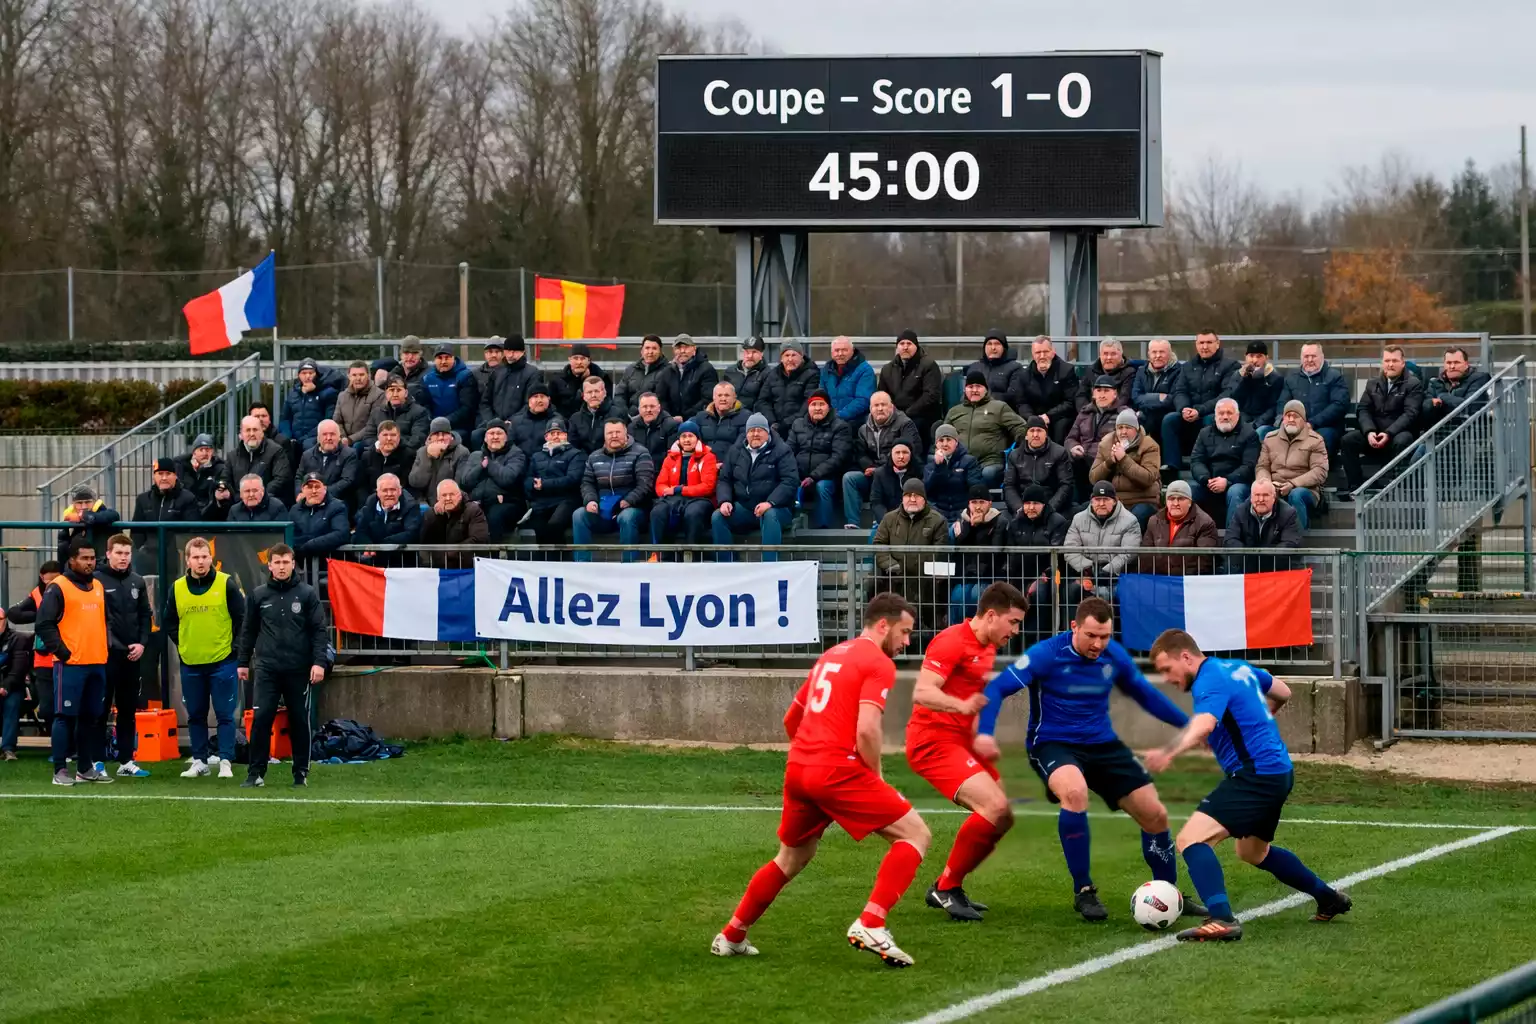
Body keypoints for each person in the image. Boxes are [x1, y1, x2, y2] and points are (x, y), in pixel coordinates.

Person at [712, 594, 930, 967]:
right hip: (836, 769)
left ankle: (732, 935)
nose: (907, 641)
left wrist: (812, 753)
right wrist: (875, 776)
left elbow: (790, 721)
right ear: (883, 625)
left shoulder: (831, 655)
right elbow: (867, 730)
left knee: (793, 856)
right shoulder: (878, 662)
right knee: (915, 834)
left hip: (799, 768)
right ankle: (871, 922)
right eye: (905, 632)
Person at [975, 597, 1201, 922]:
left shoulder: (1113, 655)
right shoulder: (1046, 654)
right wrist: (984, 732)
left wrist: (1189, 726)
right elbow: (997, 688)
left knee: (1155, 814)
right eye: (1091, 635)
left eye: (1105, 636)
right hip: (1052, 744)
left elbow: (1144, 694)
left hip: (1102, 745)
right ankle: (1084, 891)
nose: (1098, 644)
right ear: (1074, 627)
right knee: (1075, 792)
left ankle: (1169, 893)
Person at [1145, 630, 1352, 941]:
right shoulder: (1236, 667)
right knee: (1253, 852)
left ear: (1185, 656)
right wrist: (1256, 721)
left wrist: (1168, 751)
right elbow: (1282, 691)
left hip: (1255, 775)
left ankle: (1221, 919)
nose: (1167, 679)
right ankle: (1329, 898)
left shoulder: (1207, 680)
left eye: (1166, 669)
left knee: (1191, 839)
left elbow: (1205, 722)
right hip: (1278, 771)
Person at [909, 582, 1029, 919]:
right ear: (991, 615)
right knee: (994, 806)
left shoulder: (988, 645)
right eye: (1013, 622)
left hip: (960, 741)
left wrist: (979, 734)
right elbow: (922, 692)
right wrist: (961, 707)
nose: (1016, 631)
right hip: (932, 741)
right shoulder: (950, 642)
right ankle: (946, 889)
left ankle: (947, 885)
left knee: (1003, 816)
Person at [238, 544, 327, 789]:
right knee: (262, 718)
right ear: (269, 565)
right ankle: (255, 773)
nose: (281, 567)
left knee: (299, 719)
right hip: (267, 668)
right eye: (276, 562)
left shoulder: (307, 594)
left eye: (285, 562)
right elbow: (248, 631)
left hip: (299, 668)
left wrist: (319, 663)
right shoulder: (258, 595)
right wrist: (243, 661)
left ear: (292, 563)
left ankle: (300, 773)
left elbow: (319, 631)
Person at [162, 536, 245, 779]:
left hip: (223, 661)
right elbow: (169, 622)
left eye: (204, 556)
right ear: (187, 560)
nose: (200, 561)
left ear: (211, 558)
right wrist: (184, 643)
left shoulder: (226, 584)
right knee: (195, 715)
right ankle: (199, 761)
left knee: (225, 715)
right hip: (191, 663)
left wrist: (235, 650)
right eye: (195, 557)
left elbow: (242, 619)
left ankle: (226, 760)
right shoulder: (176, 588)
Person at [35, 540, 113, 786]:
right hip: (70, 665)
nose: (90, 562)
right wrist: (63, 652)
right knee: (64, 717)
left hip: (97, 663)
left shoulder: (99, 586)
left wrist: (105, 647)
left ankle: (85, 768)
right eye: (84, 558)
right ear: (71, 560)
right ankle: (60, 770)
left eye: (92, 558)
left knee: (91, 718)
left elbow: (105, 621)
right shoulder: (58, 587)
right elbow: (43, 624)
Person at [94, 534, 151, 776]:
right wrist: (115, 645)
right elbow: (99, 620)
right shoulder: (96, 580)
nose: (123, 557)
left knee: (128, 710)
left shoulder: (137, 582)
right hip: (106, 656)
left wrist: (142, 644)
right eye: (118, 553)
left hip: (132, 656)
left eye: (127, 553)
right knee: (100, 709)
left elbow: (145, 617)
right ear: (108, 554)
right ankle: (96, 761)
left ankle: (126, 761)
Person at [1341, 345, 1425, 496]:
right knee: (1348, 440)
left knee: (1403, 439)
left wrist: (1388, 433)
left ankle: (1390, 488)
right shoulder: (1373, 383)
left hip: (1397, 435)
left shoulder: (1413, 384)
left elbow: (1410, 414)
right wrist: (1369, 432)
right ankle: (1356, 488)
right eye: (1387, 360)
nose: (1390, 364)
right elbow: (1363, 409)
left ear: (1403, 363)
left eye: (1394, 360)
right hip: (1374, 434)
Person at [712, 413, 798, 556]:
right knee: (718, 517)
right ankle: (725, 567)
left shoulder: (782, 450)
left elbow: (790, 481)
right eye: (752, 431)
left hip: (778, 508)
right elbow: (725, 479)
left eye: (760, 430)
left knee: (769, 515)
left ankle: (769, 567)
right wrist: (725, 500)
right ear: (747, 433)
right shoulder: (735, 451)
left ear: (767, 432)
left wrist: (770, 502)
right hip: (745, 507)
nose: (755, 434)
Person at [573, 418, 654, 562]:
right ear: (604, 435)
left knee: (627, 517)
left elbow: (645, 484)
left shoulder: (641, 453)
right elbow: (587, 482)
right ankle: (582, 564)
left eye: (618, 432)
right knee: (579, 515)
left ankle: (628, 565)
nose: (614, 436)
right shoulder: (594, 456)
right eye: (610, 433)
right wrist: (590, 500)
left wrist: (627, 501)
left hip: (632, 508)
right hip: (603, 508)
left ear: (626, 433)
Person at [869, 479, 949, 622]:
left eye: (917, 495)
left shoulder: (938, 521)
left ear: (924, 499)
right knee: (871, 585)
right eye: (908, 495)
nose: (912, 499)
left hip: (923, 577)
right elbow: (879, 543)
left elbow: (940, 552)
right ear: (903, 498)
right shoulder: (889, 518)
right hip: (895, 575)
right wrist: (891, 564)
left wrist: (913, 566)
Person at [842, 391, 923, 529]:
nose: (880, 408)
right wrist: (868, 466)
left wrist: (881, 469)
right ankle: (853, 523)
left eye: (883, 405)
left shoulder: (905, 424)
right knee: (849, 478)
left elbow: (910, 451)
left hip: (896, 472)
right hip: (872, 472)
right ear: (870, 409)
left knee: (883, 476)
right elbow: (860, 453)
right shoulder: (863, 429)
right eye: (876, 405)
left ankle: (883, 520)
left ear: (891, 407)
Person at [1164, 331, 1239, 473]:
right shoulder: (1187, 366)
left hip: (1211, 413)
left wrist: (1200, 411)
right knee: (1170, 420)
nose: (1205, 346)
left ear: (1218, 344)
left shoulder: (1230, 366)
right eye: (1201, 343)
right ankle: (1172, 467)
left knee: (1211, 421)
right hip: (1190, 412)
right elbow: (1180, 391)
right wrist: (1184, 408)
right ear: (1196, 345)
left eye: (1209, 342)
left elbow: (1226, 395)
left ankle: (1208, 467)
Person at [6, 561, 61, 745]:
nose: (52, 582)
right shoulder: (37, 593)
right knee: (46, 708)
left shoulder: (68, 591)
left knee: (66, 706)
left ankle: (68, 747)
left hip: (67, 658)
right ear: (41, 577)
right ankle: (59, 744)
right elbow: (13, 613)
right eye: (49, 578)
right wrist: (40, 615)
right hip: (43, 659)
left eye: (56, 578)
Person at [943, 371, 1029, 489]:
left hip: (990, 461)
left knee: (988, 474)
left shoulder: (999, 407)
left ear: (986, 389)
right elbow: (943, 435)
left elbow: (1021, 427)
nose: (974, 390)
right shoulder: (954, 411)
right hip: (961, 461)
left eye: (978, 386)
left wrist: (1018, 449)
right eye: (970, 387)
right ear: (965, 390)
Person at [1063, 481, 1141, 606]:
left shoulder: (1130, 521)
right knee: (1072, 590)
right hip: (1087, 574)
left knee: (1120, 595)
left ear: (1115, 500)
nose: (1101, 504)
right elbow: (1070, 549)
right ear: (1091, 501)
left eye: (1106, 499)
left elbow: (1129, 552)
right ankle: (1074, 626)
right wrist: (1087, 570)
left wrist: (1107, 572)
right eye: (1097, 499)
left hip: (1117, 577)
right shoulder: (1078, 519)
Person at [1257, 401, 1329, 530]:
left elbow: (1320, 471)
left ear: (1303, 419)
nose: (1290, 419)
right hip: (1274, 487)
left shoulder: (1315, 440)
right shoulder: (1270, 438)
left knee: (1295, 495)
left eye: (1295, 416)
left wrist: (1292, 484)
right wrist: (1268, 484)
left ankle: (1295, 542)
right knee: (1256, 494)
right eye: (1287, 416)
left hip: (1305, 490)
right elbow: (1262, 466)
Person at [788, 390, 853, 529]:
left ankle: (824, 529)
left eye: (821, 404)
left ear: (828, 407)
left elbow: (838, 457)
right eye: (814, 404)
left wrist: (813, 476)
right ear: (808, 407)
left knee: (822, 487)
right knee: (786, 483)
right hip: (800, 475)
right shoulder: (797, 424)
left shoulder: (841, 426)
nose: (817, 408)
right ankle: (788, 524)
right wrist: (794, 474)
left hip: (828, 477)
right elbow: (788, 452)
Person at [1189, 397, 1259, 526]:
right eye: (1221, 413)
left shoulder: (1250, 434)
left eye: (1229, 413)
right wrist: (1206, 479)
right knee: (1187, 491)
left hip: (1237, 482)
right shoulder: (1204, 433)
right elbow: (1196, 461)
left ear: (1237, 415)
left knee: (1235, 491)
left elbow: (1249, 466)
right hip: (1209, 481)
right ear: (1215, 416)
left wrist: (1227, 481)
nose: (1225, 417)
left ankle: (1232, 537)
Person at [946, 489, 1011, 626]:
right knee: (958, 596)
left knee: (977, 595)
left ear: (990, 503)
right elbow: (958, 548)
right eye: (974, 502)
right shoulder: (963, 521)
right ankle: (957, 634)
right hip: (966, 574)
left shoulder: (1000, 521)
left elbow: (996, 551)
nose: (977, 506)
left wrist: (980, 528)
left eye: (982, 502)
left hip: (989, 574)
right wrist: (971, 527)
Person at [1006, 485, 1070, 623]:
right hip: (1020, 575)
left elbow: (1058, 556)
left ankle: (1040, 635)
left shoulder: (1057, 522)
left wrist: (1044, 574)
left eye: (1035, 503)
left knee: (1040, 592)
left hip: (1048, 575)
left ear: (1044, 504)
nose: (1031, 507)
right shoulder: (1016, 523)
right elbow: (1010, 555)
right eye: (1027, 503)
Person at [1089, 408, 1162, 529]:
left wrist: (1123, 459)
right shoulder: (1106, 444)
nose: (1123, 432)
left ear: (1136, 429)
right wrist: (1110, 462)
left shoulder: (1149, 445)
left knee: (1135, 517)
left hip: (1142, 500)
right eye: (1120, 428)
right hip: (1112, 501)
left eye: (1128, 428)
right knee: (1083, 514)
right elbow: (1093, 478)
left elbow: (1148, 478)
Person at [1274, 342, 1349, 457]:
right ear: (1301, 358)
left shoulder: (1334, 377)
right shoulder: (1291, 377)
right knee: (1270, 436)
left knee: (1320, 439)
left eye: (1313, 356)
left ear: (1322, 357)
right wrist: (1284, 420)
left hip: (1325, 427)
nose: (1309, 360)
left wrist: (1312, 423)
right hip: (1294, 425)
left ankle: (1317, 473)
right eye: (1306, 356)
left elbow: (1339, 405)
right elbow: (1282, 403)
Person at [651, 421, 718, 549]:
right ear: (679, 439)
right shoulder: (670, 458)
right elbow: (660, 484)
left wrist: (678, 490)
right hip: (673, 499)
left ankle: (692, 554)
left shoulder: (708, 457)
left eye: (690, 436)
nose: (687, 440)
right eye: (683, 436)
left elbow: (707, 487)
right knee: (658, 512)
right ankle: (662, 555)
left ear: (697, 438)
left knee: (693, 513)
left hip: (700, 499)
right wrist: (666, 491)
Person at [458, 419, 527, 542]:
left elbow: (507, 478)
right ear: (485, 438)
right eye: (491, 433)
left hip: (508, 503)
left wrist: (489, 463)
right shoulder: (475, 456)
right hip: (479, 501)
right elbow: (465, 482)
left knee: (494, 516)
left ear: (506, 437)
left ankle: (491, 558)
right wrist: (480, 467)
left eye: (499, 433)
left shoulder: (516, 454)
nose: (495, 437)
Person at [525, 419, 587, 547]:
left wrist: (543, 484)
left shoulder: (576, 454)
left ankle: (561, 562)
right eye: (552, 433)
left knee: (555, 525)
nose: (555, 436)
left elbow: (572, 479)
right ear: (546, 437)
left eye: (559, 433)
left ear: (565, 435)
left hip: (566, 499)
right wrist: (532, 484)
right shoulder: (537, 456)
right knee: (538, 527)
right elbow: (528, 479)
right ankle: (545, 562)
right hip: (542, 501)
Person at [1139, 480, 1220, 576]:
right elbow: (1146, 557)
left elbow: (1204, 562)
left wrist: (1177, 580)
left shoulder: (1205, 523)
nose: (1175, 503)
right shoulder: (1154, 521)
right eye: (1171, 498)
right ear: (1166, 501)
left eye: (1181, 499)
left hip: (1187, 583)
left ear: (1190, 502)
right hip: (1160, 580)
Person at [1224, 479, 1304, 572]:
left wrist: (1260, 559)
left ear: (1274, 497)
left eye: (1265, 495)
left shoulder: (1288, 514)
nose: (1261, 500)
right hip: (1247, 567)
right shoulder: (1240, 511)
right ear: (1251, 497)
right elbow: (1230, 540)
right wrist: (1250, 559)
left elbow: (1290, 545)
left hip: (1276, 570)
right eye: (1257, 495)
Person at [1067, 376, 1125, 499]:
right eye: (1098, 391)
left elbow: (1126, 442)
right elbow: (1070, 438)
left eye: (1106, 391)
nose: (1102, 395)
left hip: (1107, 462)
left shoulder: (1123, 414)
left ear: (1115, 394)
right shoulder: (1084, 412)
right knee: (1068, 460)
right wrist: (1073, 446)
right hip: (1082, 461)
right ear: (1093, 393)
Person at [878, 329, 943, 438]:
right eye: (902, 343)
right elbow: (882, 395)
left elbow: (931, 395)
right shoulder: (887, 369)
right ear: (897, 347)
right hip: (894, 415)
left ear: (916, 346)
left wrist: (907, 413)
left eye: (909, 343)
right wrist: (893, 413)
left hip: (921, 416)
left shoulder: (929, 365)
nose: (905, 347)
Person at [1003, 416, 1072, 517]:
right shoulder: (1015, 455)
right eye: (1032, 431)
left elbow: (1066, 484)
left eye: (1039, 431)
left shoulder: (1059, 453)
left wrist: (1050, 509)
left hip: (1050, 506)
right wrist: (1019, 509)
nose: (1035, 435)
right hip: (1024, 506)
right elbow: (1009, 485)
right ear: (1026, 435)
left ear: (1046, 434)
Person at [1018, 336, 1078, 444]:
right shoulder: (1024, 375)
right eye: (1038, 352)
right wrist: (1033, 419)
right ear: (1033, 354)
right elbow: (1022, 402)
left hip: (1059, 417)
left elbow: (1070, 402)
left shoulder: (1066, 370)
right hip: (1033, 417)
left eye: (1045, 351)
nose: (1042, 356)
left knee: (1062, 427)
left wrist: (1049, 416)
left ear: (1053, 352)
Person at [130, 457, 199, 548]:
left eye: (168, 473)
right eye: (160, 473)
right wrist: (142, 550)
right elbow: (136, 531)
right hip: (148, 554)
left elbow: (192, 531)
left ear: (175, 476)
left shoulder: (188, 498)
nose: (164, 478)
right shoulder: (143, 499)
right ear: (154, 476)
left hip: (177, 554)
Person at [479, 335, 545, 429]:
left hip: (520, 425)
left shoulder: (532, 373)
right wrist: (492, 421)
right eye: (508, 351)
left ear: (522, 352)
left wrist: (512, 421)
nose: (510, 355)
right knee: (476, 435)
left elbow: (530, 404)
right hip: (494, 423)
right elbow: (485, 402)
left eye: (514, 352)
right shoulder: (497, 372)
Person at [226, 415, 294, 504]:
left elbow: (281, 479)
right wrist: (241, 497)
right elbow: (226, 481)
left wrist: (259, 495)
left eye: (255, 430)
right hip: (239, 504)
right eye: (248, 430)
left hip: (268, 503)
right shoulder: (232, 456)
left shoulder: (276, 451)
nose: (252, 434)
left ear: (262, 432)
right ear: (241, 435)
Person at [297, 420, 362, 514]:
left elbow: (347, 481)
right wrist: (301, 493)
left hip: (337, 501)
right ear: (318, 437)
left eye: (332, 434)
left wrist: (321, 493)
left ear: (339, 437)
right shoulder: (307, 455)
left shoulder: (349, 454)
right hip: (310, 499)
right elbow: (299, 477)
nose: (328, 438)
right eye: (324, 434)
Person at [923, 424, 982, 525]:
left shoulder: (969, 461)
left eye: (948, 439)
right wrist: (938, 467)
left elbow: (975, 489)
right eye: (941, 440)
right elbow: (927, 491)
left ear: (956, 442)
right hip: (939, 515)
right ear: (936, 444)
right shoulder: (930, 465)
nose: (945, 444)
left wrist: (963, 517)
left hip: (963, 514)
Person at [1422, 346, 1491, 429]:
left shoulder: (1479, 378)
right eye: (1448, 363)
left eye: (1456, 362)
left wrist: (1442, 396)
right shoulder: (1435, 382)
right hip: (1439, 435)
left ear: (1466, 364)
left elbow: (1470, 407)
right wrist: (1432, 403)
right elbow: (1424, 406)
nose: (1452, 366)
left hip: (1469, 435)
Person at [419, 343, 477, 442]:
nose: (443, 361)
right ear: (435, 360)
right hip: (433, 426)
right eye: (440, 358)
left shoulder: (465, 376)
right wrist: (432, 422)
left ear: (453, 358)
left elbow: (467, 408)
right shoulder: (427, 379)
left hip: (459, 427)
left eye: (447, 358)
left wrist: (444, 422)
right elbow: (424, 405)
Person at [760, 342, 820, 437]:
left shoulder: (812, 374)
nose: (790, 359)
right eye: (786, 355)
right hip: (774, 427)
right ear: (781, 358)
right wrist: (772, 422)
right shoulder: (773, 374)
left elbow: (807, 403)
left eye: (794, 355)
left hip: (800, 428)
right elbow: (763, 401)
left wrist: (785, 424)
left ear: (801, 356)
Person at [353, 474, 424, 553]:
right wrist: (367, 545)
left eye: (393, 490)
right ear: (378, 492)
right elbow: (361, 530)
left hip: (401, 558)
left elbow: (412, 534)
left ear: (400, 491)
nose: (389, 494)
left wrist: (380, 546)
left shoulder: (411, 507)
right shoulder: (369, 506)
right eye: (385, 490)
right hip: (373, 559)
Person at [420, 479, 489, 560]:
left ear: (459, 496)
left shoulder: (473, 510)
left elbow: (478, 540)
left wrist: (449, 554)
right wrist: (435, 516)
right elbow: (424, 542)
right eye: (444, 495)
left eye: (452, 494)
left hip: (466, 563)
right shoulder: (431, 514)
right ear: (438, 498)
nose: (448, 498)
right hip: (439, 565)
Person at [656, 333, 719, 422]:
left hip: (698, 420)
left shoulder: (706, 369)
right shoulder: (667, 371)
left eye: (686, 347)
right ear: (674, 351)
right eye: (678, 348)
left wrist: (685, 417)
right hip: (671, 420)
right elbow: (661, 399)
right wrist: (669, 418)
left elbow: (707, 399)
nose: (682, 351)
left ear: (694, 349)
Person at [289, 473, 351, 560]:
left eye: (317, 487)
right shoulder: (295, 510)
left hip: (329, 565)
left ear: (325, 488)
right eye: (309, 487)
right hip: (302, 565)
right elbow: (290, 536)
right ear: (302, 489)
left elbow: (341, 534)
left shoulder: (337, 506)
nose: (314, 491)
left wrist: (311, 545)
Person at [280, 358, 338, 451]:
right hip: (294, 437)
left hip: (315, 437)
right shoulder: (292, 394)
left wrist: (316, 389)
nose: (307, 376)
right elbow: (285, 418)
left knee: (308, 445)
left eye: (311, 373)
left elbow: (328, 419)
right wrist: (287, 435)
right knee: (284, 445)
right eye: (304, 373)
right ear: (299, 375)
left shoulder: (327, 392)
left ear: (317, 374)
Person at [409, 417, 473, 501]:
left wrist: (443, 501)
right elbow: (415, 482)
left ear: (451, 436)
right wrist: (428, 457)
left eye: (444, 434)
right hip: (426, 503)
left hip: (450, 500)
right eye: (436, 434)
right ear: (430, 437)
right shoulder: (422, 452)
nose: (440, 438)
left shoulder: (462, 452)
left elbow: (460, 485)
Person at [819, 335, 875, 429]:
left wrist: (838, 417)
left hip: (856, 423)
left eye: (844, 350)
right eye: (837, 350)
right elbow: (821, 396)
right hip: (829, 422)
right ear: (832, 353)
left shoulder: (865, 370)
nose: (840, 353)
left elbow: (863, 400)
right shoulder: (826, 370)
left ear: (852, 351)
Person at [358, 421, 416, 507]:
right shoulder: (367, 456)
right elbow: (361, 485)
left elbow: (408, 486)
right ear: (378, 437)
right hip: (372, 502)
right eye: (385, 435)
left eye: (393, 435)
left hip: (398, 502)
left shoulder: (408, 455)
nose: (389, 438)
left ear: (399, 437)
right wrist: (368, 503)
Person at [56, 486, 120, 563]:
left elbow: (113, 515)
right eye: (79, 503)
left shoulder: (106, 514)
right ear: (73, 504)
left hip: (101, 565)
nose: (84, 506)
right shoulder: (70, 521)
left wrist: (83, 515)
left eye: (88, 502)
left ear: (94, 502)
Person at [1233, 341, 1284, 437]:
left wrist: (1256, 424)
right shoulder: (1237, 375)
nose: (1254, 360)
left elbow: (1273, 407)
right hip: (1242, 418)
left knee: (1258, 433)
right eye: (1251, 356)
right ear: (1246, 357)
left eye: (1259, 356)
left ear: (1266, 358)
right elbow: (1234, 399)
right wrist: (1245, 379)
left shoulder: (1275, 378)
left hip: (1263, 422)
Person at [613, 334, 669, 420]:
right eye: (647, 348)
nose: (650, 352)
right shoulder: (631, 369)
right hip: (627, 417)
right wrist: (624, 413)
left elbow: (664, 401)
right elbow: (619, 395)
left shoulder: (668, 371)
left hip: (654, 419)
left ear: (660, 351)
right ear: (642, 351)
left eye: (654, 348)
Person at [966, 329, 1024, 411]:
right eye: (989, 344)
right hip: (975, 412)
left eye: (997, 344)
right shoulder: (974, 368)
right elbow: (965, 396)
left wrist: (983, 399)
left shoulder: (1015, 368)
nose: (993, 348)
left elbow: (1013, 396)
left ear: (1004, 348)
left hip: (1001, 412)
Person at [1131, 338, 1181, 431]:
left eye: (1162, 352)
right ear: (1149, 354)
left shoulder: (1179, 371)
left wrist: (1146, 398)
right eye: (1154, 352)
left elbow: (1173, 399)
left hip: (1167, 418)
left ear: (1169, 353)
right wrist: (1159, 397)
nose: (1158, 356)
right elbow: (1135, 397)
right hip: (1144, 416)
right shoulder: (1142, 371)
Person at [369, 375, 430, 452]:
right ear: (386, 393)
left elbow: (417, 440)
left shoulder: (419, 412)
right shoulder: (377, 412)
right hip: (380, 451)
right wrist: (380, 444)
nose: (395, 394)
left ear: (406, 393)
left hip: (404, 452)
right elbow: (368, 437)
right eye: (391, 390)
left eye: (398, 390)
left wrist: (393, 443)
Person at [0, 608, 30, 762]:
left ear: (5, 620)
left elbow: (18, 669)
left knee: (11, 704)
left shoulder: (17, 639)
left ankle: (8, 749)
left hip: (11, 687)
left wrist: (4, 687)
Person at [551, 344, 611, 420]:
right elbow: (552, 406)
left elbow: (607, 403)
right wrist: (578, 379)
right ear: (569, 359)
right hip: (565, 421)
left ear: (589, 360)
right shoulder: (557, 380)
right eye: (575, 358)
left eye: (583, 358)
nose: (579, 362)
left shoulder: (602, 377)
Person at [1074, 337, 1135, 412]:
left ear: (1121, 355)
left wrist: (1104, 412)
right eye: (1105, 354)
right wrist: (1088, 411)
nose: (1109, 358)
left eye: (1113, 354)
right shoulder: (1091, 371)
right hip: (1091, 413)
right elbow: (1081, 395)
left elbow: (1124, 399)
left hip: (1116, 414)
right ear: (1100, 355)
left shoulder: (1129, 372)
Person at [334, 360, 385, 447]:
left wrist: (350, 440)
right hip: (343, 439)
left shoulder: (379, 395)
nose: (358, 378)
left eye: (361, 375)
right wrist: (342, 437)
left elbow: (372, 425)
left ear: (368, 376)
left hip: (366, 439)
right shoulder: (342, 396)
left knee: (356, 447)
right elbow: (337, 421)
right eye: (354, 375)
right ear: (349, 376)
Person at [869, 442, 920, 527]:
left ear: (911, 455)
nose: (901, 456)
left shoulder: (919, 472)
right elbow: (876, 502)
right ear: (891, 455)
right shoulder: (880, 473)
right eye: (897, 453)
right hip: (888, 519)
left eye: (905, 452)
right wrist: (887, 520)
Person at [174, 434, 228, 511]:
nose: (204, 453)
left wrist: (204, 470)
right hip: (187, 508)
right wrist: (195, 471)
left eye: (208, 450)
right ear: (194, 453)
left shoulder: (219, 468)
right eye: (201, 449)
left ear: (212, 452)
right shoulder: (183, 466)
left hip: (209, 512)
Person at [567, 375, 615, 454]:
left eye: (596, 391)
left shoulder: (617, 413)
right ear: (583, 396)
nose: (593, 395)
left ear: (604, 393)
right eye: (589, 392)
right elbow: (573, 447)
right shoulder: (575, 418)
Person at [630, 391, 680, 464]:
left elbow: (671, 456)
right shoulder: (632, 427)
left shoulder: (671, 425)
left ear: (659, 408)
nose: (648, 410)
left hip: (660, 470)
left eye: (652, 406)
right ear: (639, 409)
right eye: (645, 407)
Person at [509, 382, 558, 457]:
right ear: (528, 401)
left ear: (549, 399)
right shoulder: (516, 421)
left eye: (542, 396)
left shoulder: (557, 421)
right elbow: (510, 447)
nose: (539, 400)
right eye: (535, 396)